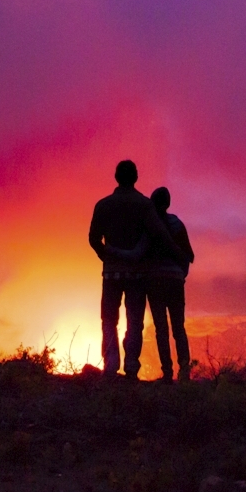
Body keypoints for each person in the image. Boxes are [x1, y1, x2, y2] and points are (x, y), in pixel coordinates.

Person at [87, 158, 182, 378]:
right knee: (135, 320)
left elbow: (93, 239)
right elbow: (160, 234)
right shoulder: (144, 205)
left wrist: (107, 257)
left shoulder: (103, 205)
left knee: (109, 318)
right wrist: (178, 254)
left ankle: (111, 365)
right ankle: (131, 366)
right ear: (136, 177)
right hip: (138, 274)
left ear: (116, 177)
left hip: (111, 273)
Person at [143, 186, 195, 381]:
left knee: (161, 329)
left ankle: (167, 372)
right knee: (178, 327)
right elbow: (189, 255)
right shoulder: (177, 224)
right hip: (175, 282)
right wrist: (181, 275)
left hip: (155, 283)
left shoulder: (148, 226)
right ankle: (184, 371)